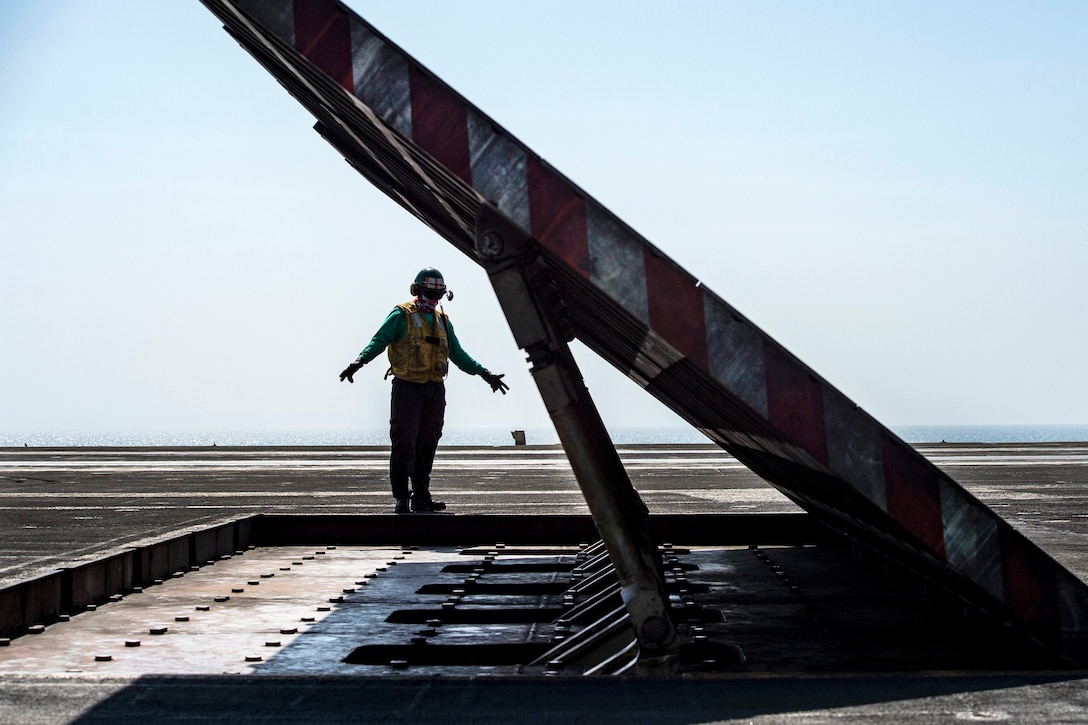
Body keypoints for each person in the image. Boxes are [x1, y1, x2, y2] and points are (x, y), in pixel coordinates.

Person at [339, 267, 509, 513]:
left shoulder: (442, 320)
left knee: (427, 442)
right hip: (407, 388)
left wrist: (486, 374)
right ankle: (401, 498)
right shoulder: (402, 314)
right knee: (404, 442)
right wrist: (360, 361)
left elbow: (458, 354)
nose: (434, 298)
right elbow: (380, 339)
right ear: (417, 290)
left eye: (438, 293)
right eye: (430, 292)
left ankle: (421, 496)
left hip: (434, 390)